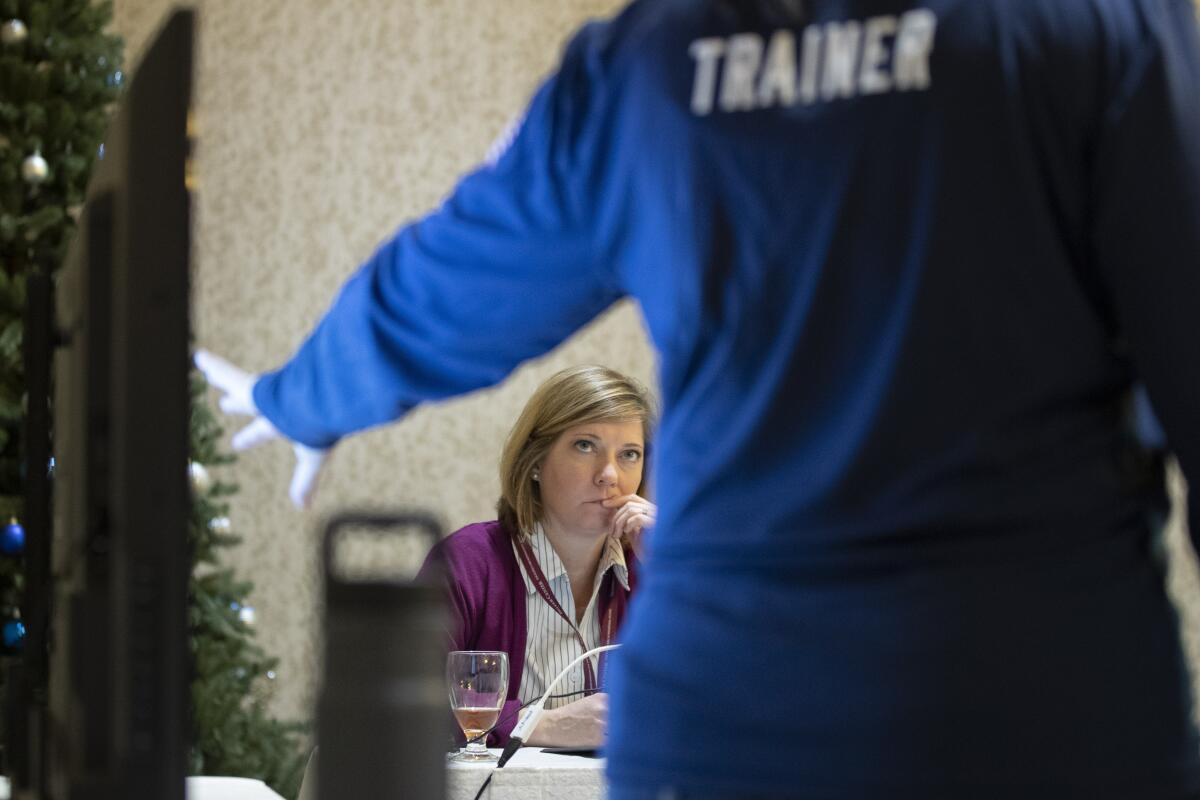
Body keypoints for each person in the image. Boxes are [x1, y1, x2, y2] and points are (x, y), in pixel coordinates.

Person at [198, 0, 1200, 796]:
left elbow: (452, 278)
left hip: (727, 723)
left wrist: (303, 395)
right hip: (1040, 701)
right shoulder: (1091, 22)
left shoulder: (654, 59)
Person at [418, 364, 656, 748]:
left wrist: (677, 576)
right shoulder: (465, 563)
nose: (610, 474)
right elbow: (415, 699)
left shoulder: (653, 569)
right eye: (585, 445)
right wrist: (541, 725)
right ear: (534, 463)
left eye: (630, 453)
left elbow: (724, 697)